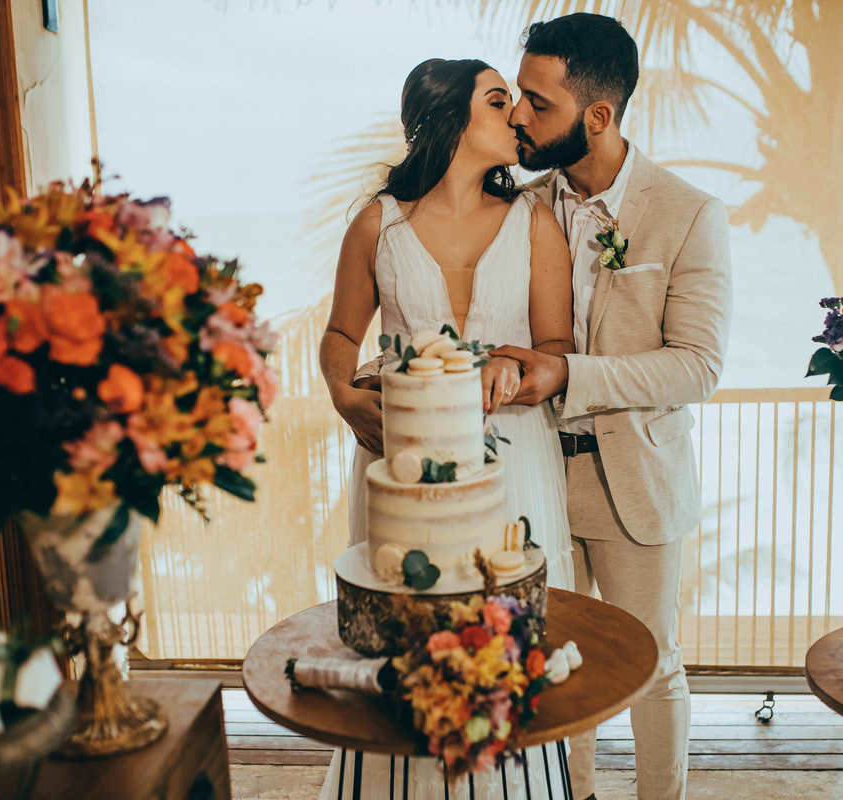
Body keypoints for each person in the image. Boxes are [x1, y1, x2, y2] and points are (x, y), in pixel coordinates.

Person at [318, 56, 576, 798]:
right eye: (500, 102)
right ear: (449, 120)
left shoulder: (535, 222)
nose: (519, 115)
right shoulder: (377, 224)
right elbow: (341, 334)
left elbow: (556, 350)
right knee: (406, 638)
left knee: (507, 647)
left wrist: (516, 365)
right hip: (404, 460)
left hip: (516, 461)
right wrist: (343, 394)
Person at [491, 14, 733, 800]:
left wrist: (568, 376)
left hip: (636, 481)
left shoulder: (690, 212)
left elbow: (696, 366)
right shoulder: (517, 208)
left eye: (537, 101)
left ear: (597, 116)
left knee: (654, 664)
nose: (517, 116)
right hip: (534, 478)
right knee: (556, 662)